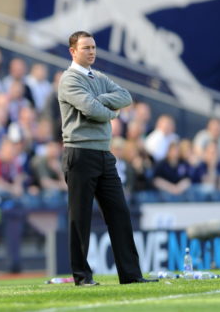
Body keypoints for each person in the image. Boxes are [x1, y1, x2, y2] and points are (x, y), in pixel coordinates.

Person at [57, 31, 156, 286]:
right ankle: (82, 276)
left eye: (93, 47)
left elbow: (126, 97)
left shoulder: (97, 77)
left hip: (103, 152)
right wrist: (111, 113)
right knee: (80, 218)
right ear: (73, 51)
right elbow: (92, 110)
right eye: (86, 47)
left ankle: (131, 275)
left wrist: (101, 102)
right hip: (79, 152)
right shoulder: (68, 80)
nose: (91, 51)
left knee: (120, 213)